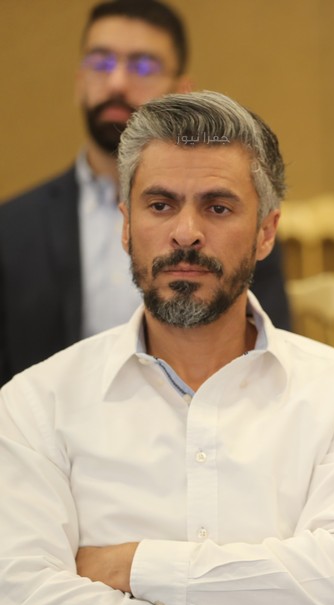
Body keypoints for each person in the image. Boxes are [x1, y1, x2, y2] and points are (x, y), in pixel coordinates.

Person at [0, 91, 334, 605]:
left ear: (265, 233)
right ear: (126, 226)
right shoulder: (37, 402)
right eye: (160, 205)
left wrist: (126, 566)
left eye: (218, 208)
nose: (186, 233)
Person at [0, 0, 291, 387]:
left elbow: (270, 349)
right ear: (79, 80)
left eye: (143, 66)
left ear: (182, 91)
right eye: (101, 63)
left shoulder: (237, 219)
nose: (117, 82)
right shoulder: (12, 227)